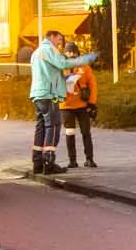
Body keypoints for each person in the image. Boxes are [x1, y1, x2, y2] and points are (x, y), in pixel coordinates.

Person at [29, 30, 97, 175]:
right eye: (59, 40)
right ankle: (49, 162)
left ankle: (37, 163)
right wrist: (83, 60)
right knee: (52, 127)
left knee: (40, 127)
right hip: (49, 94)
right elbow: (62, 64)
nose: (59, 44)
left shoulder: (36, 52)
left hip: (38, 95)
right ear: (51, 37)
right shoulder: (48, 49)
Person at [59, 41, 98, 169]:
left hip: (81, 105)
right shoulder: (60, 68)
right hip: (67, 106)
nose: (71, 54)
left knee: (86, 132)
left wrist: (92, 102)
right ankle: (72, 160)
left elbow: (92, 85)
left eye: (73, 51)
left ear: (77, 53)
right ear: (64, 53)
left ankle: (89, 159)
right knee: (70, 133)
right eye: (68, 51)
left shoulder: (84, 67)